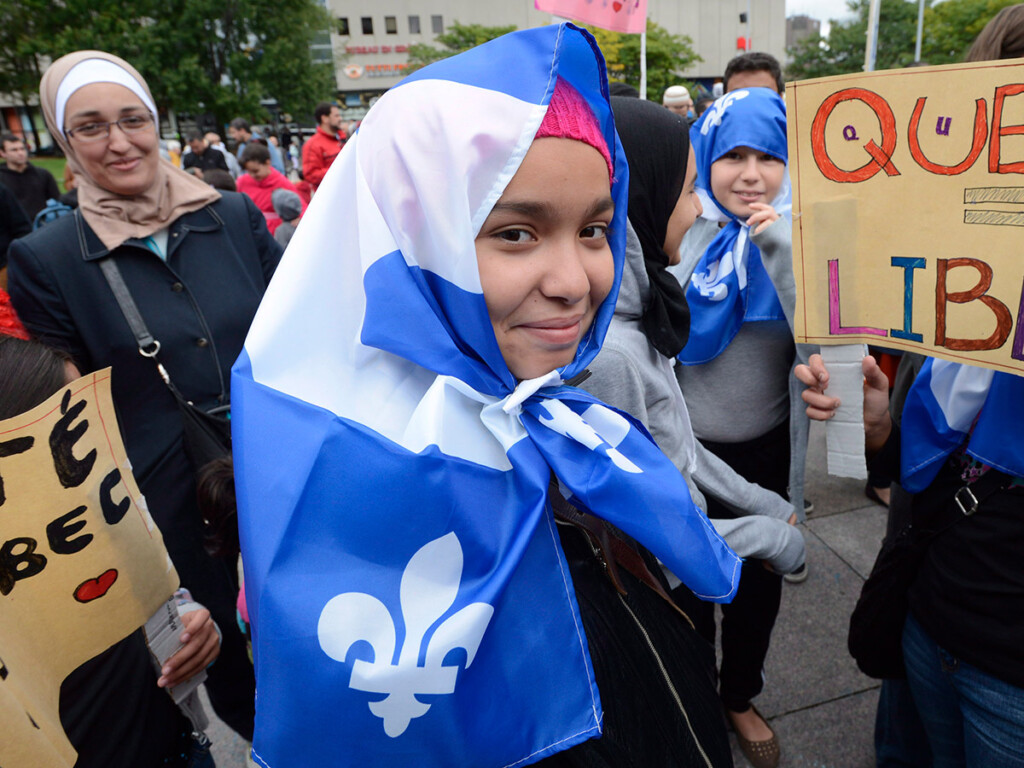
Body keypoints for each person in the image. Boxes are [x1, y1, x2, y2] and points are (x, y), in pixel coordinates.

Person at [231, 23, 741, 768]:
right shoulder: (340, 501)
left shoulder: (549, 410)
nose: (576, 281)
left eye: (595, 228)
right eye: (515, 234)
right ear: (411, 236)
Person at [6, 49, 284, 742]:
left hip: (283, 468)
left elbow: (295, 330)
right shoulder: (48, 259)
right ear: (64, 141)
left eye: (133, 120)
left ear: (155, 122)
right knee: (235, 671)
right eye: (91, 127)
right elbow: (63, 410)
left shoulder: (230, 217)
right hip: (170, 507)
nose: (119, 141)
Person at [582, 95, 803, 576]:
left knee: (750, 607)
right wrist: (776, 537)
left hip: (757, 448)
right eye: (688, 189)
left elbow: (674, 441)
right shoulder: (618, 345)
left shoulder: (794, 242)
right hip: (695, 481)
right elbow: (668, 538)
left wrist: (766, 506)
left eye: (769, 156)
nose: (750, 174)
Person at [669, 86, 811, 767]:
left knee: (759, 590)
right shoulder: (674, 233)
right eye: (732, 156)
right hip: (684, 454)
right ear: (705, 156)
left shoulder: (806, 241)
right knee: (688, 585)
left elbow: (828, 352)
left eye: (768, 156)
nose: (751, 174)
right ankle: (693, 691)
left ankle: (738, 694)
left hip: (767, 449)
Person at [0, 334, 221, 768]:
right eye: (65, 444)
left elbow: (154, 589)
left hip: (180, 749)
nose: (90, 456)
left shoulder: (102, 508)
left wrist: (188, 624)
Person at [236, 143, 306, 235]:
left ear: (267, 163)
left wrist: (300, 219)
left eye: (255, 171)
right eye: (248, 171)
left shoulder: (281, 182)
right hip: (252, 231)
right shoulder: (242, 181)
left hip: (274, 233)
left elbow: (301, 206)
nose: (252, 175)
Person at [0, 133, 61, 220]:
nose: (20, 153)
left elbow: (57, 200)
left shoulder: (42, 174)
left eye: (22, 149)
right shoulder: (2, 179)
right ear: (2, 153)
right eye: (14, 150)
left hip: (45, 223)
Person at [300, 101, 345, 192]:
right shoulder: (312, 144)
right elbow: (310, 174)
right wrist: (339, 171)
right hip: (330, 198)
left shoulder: (341, 139)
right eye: (336, 116)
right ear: (324, 118)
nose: (340, 118)